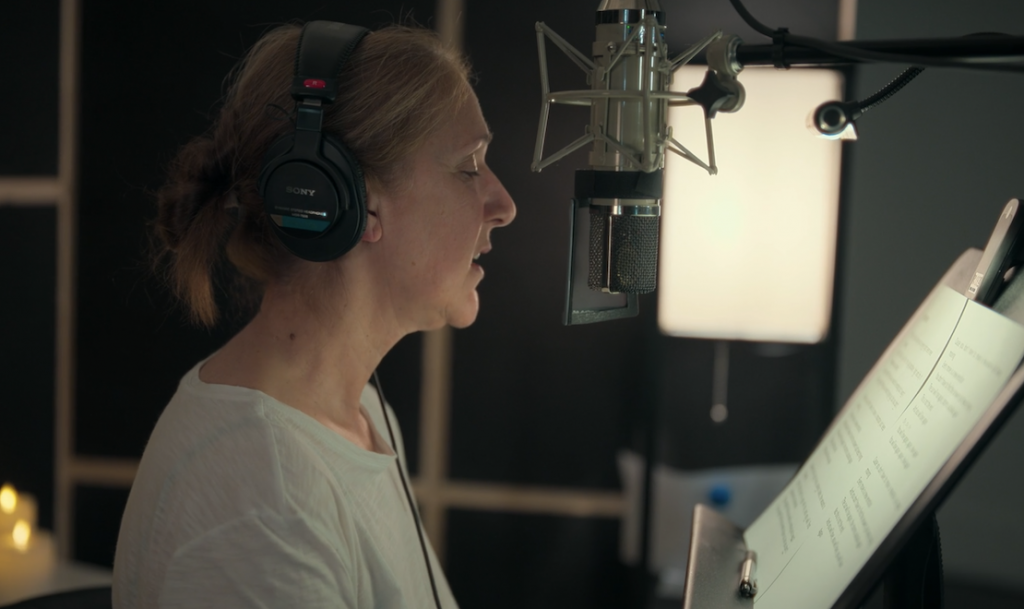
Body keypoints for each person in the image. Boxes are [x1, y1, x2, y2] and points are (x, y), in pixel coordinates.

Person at [112, 20, 515, 609]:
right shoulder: (261, 502)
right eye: (468, 165)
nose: (503, 205)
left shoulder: (361, 416)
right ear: (346, 198)